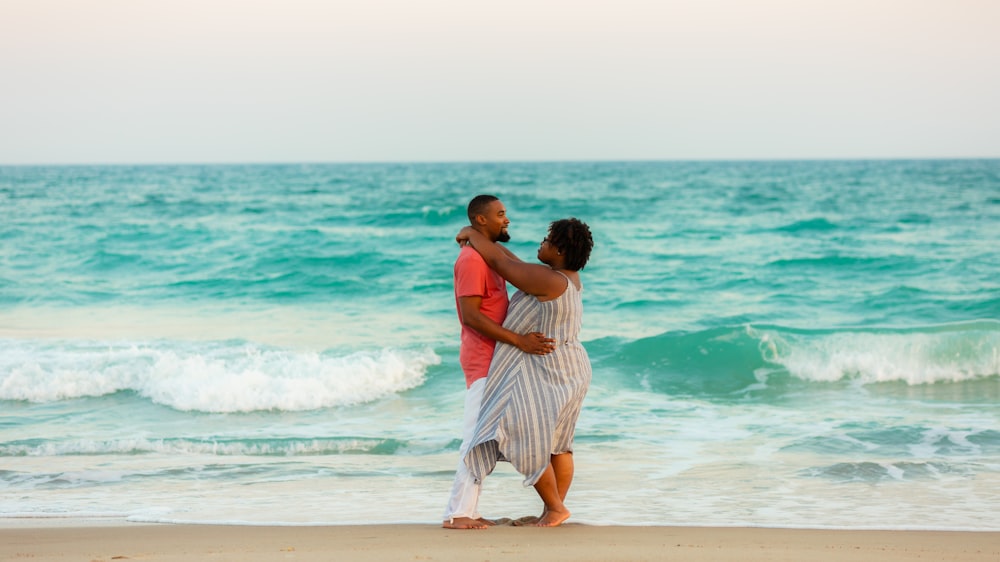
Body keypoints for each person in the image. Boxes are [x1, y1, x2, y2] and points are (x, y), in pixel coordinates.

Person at [456, 217, 594, 527]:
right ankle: (553, 510)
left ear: (558, 251)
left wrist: (470, 234)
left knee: (523, 434)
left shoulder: (550, 281)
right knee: (559, 443)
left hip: (554, 369)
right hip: (570, 366)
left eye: (547, 241)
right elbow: (510, 260)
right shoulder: (564, 277)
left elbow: (498, 261)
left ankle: (555, 508)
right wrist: (484, 241)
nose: (540, 244)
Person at [442, 195, 556, 530]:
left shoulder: (486, 256)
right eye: (500, 215)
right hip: (482, 360)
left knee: (486, 438)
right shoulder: (472, 261)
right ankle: (457, 513)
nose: (506, 220)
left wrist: (469, 233)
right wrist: (520, 341)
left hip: (496, 361)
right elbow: (471, 317)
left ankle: (468, 510)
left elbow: (512, 262)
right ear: (481, 220)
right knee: (474, 436)